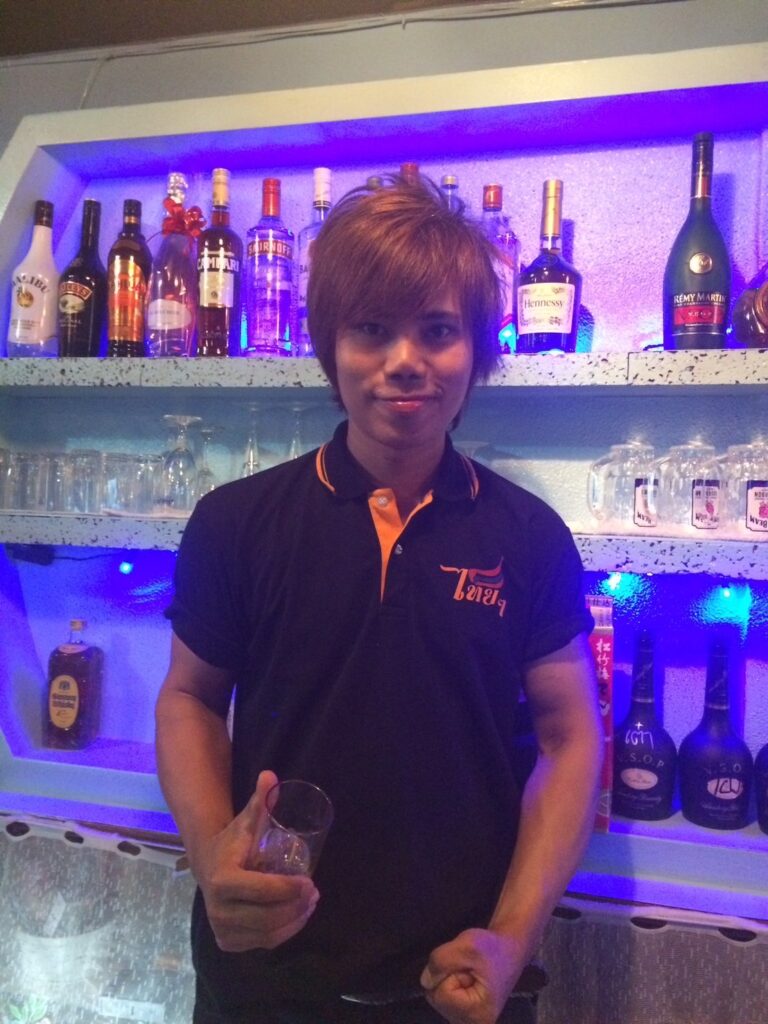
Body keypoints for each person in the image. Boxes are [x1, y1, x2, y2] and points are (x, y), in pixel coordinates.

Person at [155, 174, 603, 1024]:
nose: (405, 360)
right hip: (262, 978)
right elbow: (189, 699)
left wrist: (511, 938)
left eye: (437, 330)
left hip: (460, 982)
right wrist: (213, 858)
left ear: (476, 348)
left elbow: (571, 737)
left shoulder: (529, 535)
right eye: (370, 329)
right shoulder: (235, 522)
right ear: (330, 347)